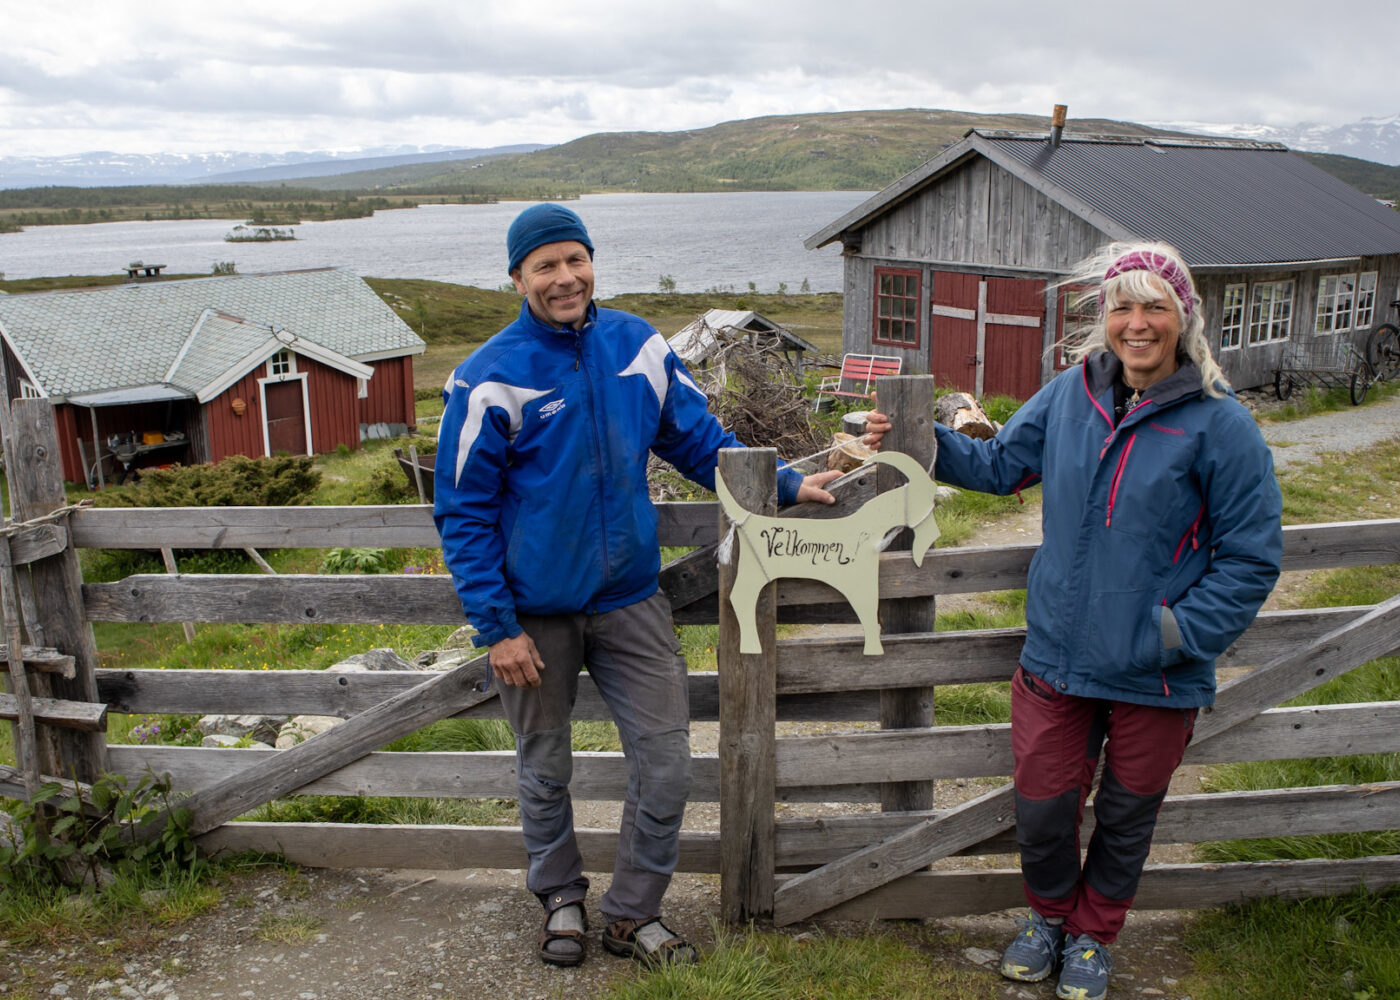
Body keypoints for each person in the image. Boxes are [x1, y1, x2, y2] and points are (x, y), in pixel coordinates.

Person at [864, 242, 1281, 1000]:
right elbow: (1000, 467)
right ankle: (1050, 919)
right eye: (1123, 306)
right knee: (1044, 805)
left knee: (1127, 813)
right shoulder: (1071, 394)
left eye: (1155, 306)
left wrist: (1176, 634)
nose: (1137, 323)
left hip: (1157, 670)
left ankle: (1094, 934)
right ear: (1104, 318)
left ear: (1184, 317)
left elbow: (1251, 557)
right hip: (1058, 655)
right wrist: (914, 440)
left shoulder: (1221, 425)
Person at [433, 203, 840, 969]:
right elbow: (462, 510)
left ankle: (632, 913)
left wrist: (785, 483)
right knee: (544, 766)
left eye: (575, 259)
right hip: (533, 615)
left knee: (667, 764)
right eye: (545, 265)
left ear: (592, 263)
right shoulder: (486, 377)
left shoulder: (637, 346)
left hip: (630, 600)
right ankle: (560, 896)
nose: (565, 278)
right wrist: (497, 627)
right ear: (518, 278)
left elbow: (699, 441)